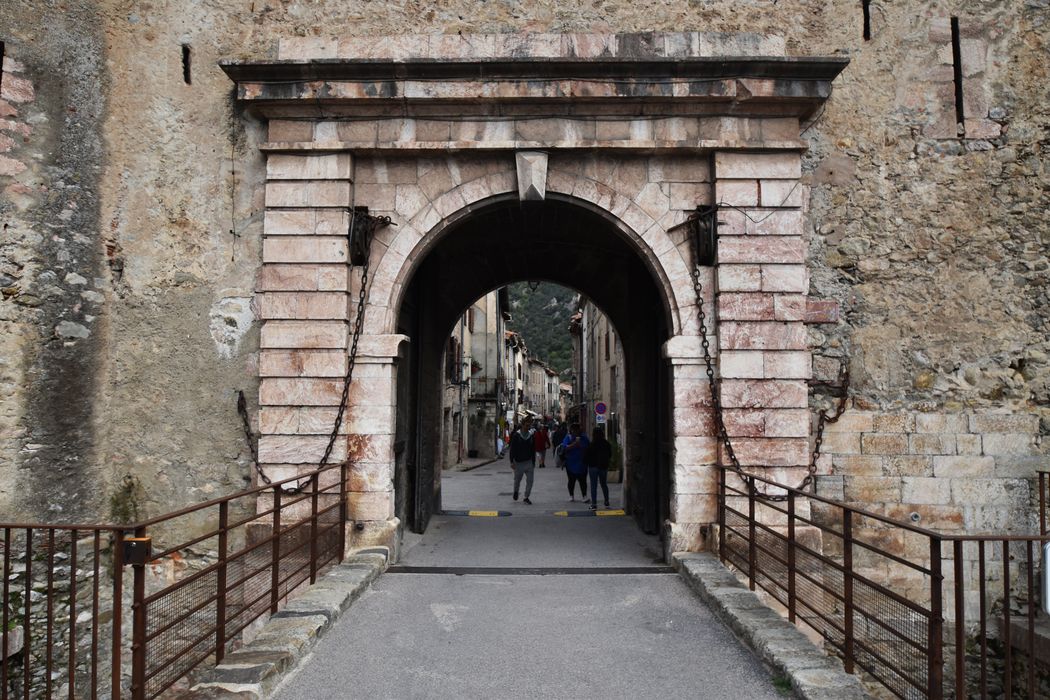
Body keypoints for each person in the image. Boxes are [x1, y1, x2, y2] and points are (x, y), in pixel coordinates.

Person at [583, 426, 612, 510]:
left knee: (593, 486)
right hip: (603, 467)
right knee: (604, 484)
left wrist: (587, 463)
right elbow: (610, 454)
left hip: (593, 467)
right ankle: (606, 502)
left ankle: (594, 504)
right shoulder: (606, 444)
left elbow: (586, 455)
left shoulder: (592, 444)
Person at [508, 417, 536, 504]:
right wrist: (511, 461)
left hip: (528, 462)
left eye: (529, 425)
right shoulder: (516, 435)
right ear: (523, 425)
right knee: (517, 480)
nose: (528, 427)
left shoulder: (531, 436)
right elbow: (512, 449)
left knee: (530, 481)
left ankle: (526, 497)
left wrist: (533, 462)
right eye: (527, 425)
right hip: (518, 462)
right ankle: (516, 491)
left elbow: (533, 449)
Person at [561, 423, 589, 502]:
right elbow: (565, 448)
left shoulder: (584, 437)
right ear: (572, 431)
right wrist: (574, 444)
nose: (576, 432)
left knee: (583, 481)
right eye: (574, 430)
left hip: (582, 463)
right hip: (570, 463)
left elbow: (587, 448)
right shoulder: (568, 437)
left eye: (577, 430)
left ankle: (584, 496)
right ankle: (571, 495)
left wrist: (580, 444)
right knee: (571, 480)